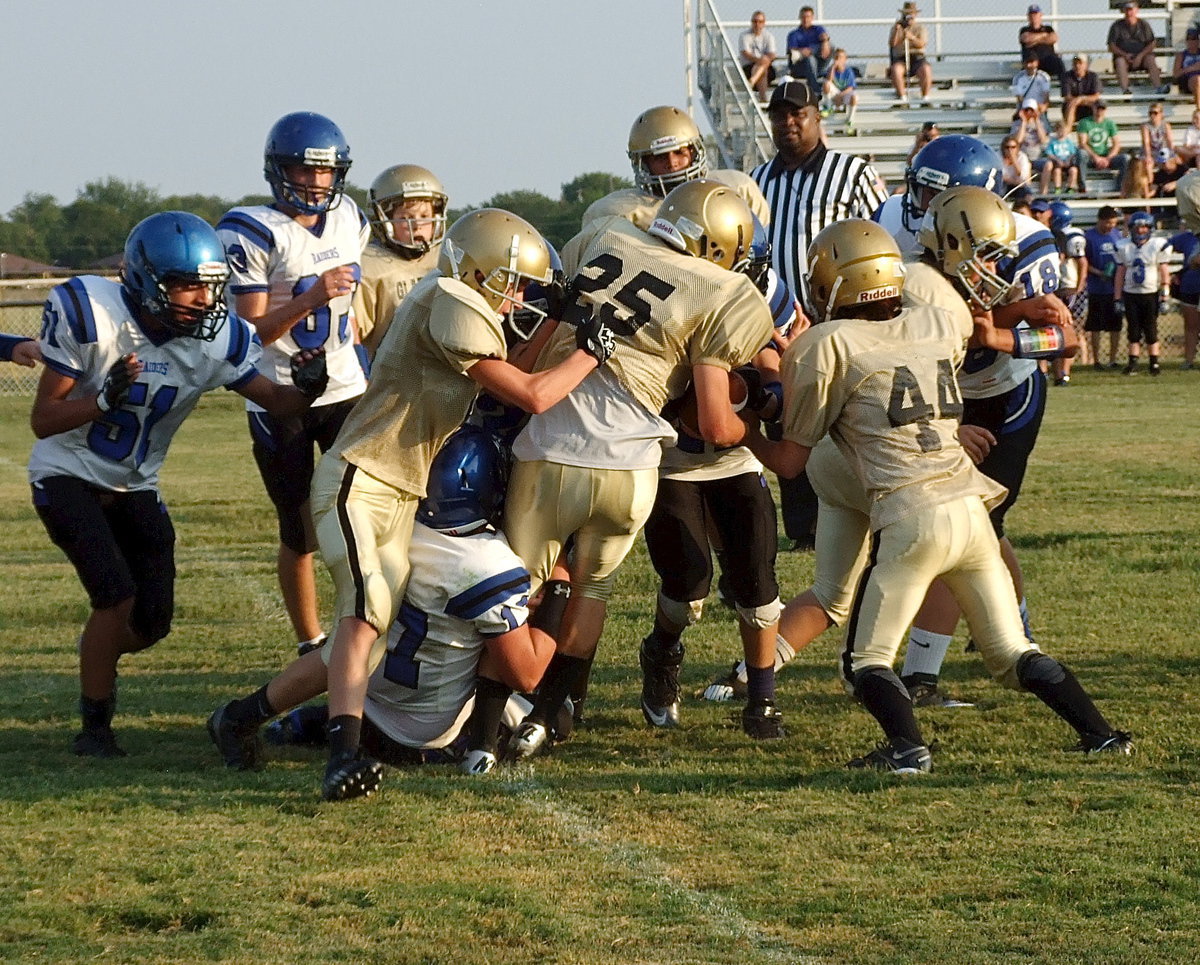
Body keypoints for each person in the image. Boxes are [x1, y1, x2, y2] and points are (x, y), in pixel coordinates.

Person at [743, 215, 1129, 772]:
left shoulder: (826, 344)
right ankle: (1102, 735)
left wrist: (745, 431)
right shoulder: (935, 321)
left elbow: (789, 460)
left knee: (865, 660)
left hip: (910, 516)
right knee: (1012, 652)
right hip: (970, 509)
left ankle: (908, 749)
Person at [311, 208, 612, 801]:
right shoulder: (449, 298)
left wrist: (555, 322)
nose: (518, 298)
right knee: (367, 611)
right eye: (512, 283)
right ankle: (342, 754)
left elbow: (506, 380)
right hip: (363, 477)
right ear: (478, 271)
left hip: (401, 486)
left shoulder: (449, 299)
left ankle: (247, 715)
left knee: (378, 620)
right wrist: (590, 353)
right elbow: (533, 394)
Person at [30, 212, 330, 757]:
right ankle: (94, 728)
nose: (203, 299)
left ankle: (97, 651)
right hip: (65, 474)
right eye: (187, 285)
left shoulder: (217, 340)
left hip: (136, 484)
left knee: (152, 624)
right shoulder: (93, 314)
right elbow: (43, 420)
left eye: (211, 286)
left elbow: (277, 402)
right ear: (146, 281)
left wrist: (308, 387)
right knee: (115, 597)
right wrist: (102, 400)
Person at [503, 180, 774, 760]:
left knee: (511, 590)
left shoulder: (606, 231)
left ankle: (491, 706)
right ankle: (550, 711)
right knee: (594, 586)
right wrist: (753, 428)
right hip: (631, 462)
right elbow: (714, 420)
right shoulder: (728, 290)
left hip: (551, 440)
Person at [208, 425, 554, 777]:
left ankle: (250, 715)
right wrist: (561, 592)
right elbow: (525, 674)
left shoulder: (391, 530)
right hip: (424, 733)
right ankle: (479, 746)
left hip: (358, 697)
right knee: (535, 691)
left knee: (348, 639)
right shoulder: (488, 564)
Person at [216, 112, 369, 659]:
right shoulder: (251, 230)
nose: (315, 182)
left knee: (367, 513)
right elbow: (248, 334)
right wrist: (310, 298)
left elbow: (355, 313)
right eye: (303, 170)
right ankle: (311, 643)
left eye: (325, 172)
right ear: (277, 170)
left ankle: (371, 621)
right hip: (279, 393)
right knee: (299, 530)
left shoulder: (350, 217)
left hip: (345, 387)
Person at [751, 78, 887, 552]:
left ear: (817, 117)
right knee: (788, 415)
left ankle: (864, 508)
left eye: (798, 113)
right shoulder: (757, 180)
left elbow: (879, 237)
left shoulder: (851, 173)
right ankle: (804, 527)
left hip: (840, 321)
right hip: (777, 324)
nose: (788, 123)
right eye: (779, 115)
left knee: (851, 415)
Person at [579, 106, 770, 233]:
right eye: (660, 157)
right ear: (643, 163)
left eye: (679, 152)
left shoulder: (738, 188)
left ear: (695, 152)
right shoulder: (618, 211)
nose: (672, 163)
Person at [354, 164, 447, 362]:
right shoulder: (370, 266)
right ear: (384, 220)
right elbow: (354, 335)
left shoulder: (445, 258)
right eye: (406, 218)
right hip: (389, 371)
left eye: (425, 216)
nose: (417, 225)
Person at [873, 133, 1004, 252]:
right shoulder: (892, 214)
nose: (925, 204)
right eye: (921, 191)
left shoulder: (1005, 235)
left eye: (934, 195)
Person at [1115, 210, 1171, 376]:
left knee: (1151, 329)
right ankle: (1133, 362)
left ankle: (1154, 362)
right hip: (1131, 293)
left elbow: (1164, 270)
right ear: (1131, 228)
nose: (1140, 231)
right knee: (1133, 330)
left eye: (1144, 227)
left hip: (1150, 293)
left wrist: (1165, 294)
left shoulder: (1157, 245)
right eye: (1137, 227)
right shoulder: (1123, 246)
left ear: (1150, 228)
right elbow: (1120, 273)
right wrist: (1117, 298)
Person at [1049, 200, 1089, 382]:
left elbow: (1082, 263)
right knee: (1055, 332)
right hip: (1057, 290)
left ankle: (1064, 372)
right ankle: (1057, 372)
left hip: (1069, 288)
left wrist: (1079, 288)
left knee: (1068, 331)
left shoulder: (1072, 236)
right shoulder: (1052, 234)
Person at [1084, 205, 1125, 369]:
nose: (1111, 226)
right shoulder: (1089, 237)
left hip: (1114, 289)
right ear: (1100, 220)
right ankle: (1096, 360)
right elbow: (1083, 262)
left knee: (1115, 326)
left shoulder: (1117, 235)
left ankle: (1112, 359)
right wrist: (1098, 272)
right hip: (1096, 288)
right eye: (1108, 223)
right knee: (1096, 326)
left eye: (1113, 223)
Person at [1108, 1, 1167, 95]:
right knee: (1119, 61)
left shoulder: (1144, 24)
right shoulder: (1116, 26)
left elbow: (1152, 43)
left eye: (1131, 10)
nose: (1129, 13)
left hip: (1142, 58)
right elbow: (1111, 46)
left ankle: (1158, 88)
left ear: (1136, 10)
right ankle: (1125, 90)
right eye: (1127, 10)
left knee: (1150, 59)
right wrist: (1125, 55)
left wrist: (1140, 56)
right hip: (1124, 58)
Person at [888, 2, 933, 106]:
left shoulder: (920, 28)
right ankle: (902, 97)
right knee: (896, 70)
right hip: (901, 57)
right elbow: (892, 44)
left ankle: (925, 97)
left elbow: (921, 44)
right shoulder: (896, 28)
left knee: (926, 69)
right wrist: (898, 31)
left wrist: (911, 37)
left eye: (911, 13)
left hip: (917, 58)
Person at [1077, 100, 1129, 190]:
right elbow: (1083, 143)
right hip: (1090, 157)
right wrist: (1095, 157)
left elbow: (1116, 144)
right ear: (1093, 108)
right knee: (1081, 154)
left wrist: (1108, 158)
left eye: (1102, 109)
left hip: (1105, 156)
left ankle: (1120, 188)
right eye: (1098, 108)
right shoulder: (1084, 122)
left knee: (1125, 158)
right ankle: (1082, 187)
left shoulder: (1109, 123)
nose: (1099, 111)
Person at [787, 5, 831, 93]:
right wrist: (802, 52)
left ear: (812, 17)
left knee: (831, 46)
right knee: (810, 59)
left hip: (819, 63)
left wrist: (825, 41)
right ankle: (816, 91)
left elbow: (825, 38)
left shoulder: (818, 29)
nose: (806, 19)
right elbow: (792, 52)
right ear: (800, 17)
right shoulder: (793, 34)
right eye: (803, 17)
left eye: (808, 17)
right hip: (800, 66)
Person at [740, 11, 777, 103]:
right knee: (763, 70)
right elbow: (745, 53)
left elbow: (772, 54)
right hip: (749, 67)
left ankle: (752, 81)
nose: (757, 24)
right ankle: (763, 99)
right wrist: (760, 60)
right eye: (755, 21)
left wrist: (763, 61)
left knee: (763, 67)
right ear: (751, 22)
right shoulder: (744, 36)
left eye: (760, 22)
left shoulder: (769, 36)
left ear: (764, 23)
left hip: (766, 67)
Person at [1019, 5, 1064, 80]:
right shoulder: (1024, 30)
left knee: (1058, 62)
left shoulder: (1048, 28)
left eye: (1036, 14)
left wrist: (1034, 40)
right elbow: (1026, 39)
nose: (1034, 16)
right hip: (1032, 62)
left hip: (1048, 60)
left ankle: (1064, 86)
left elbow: (1054, 38)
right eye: (1031, 14)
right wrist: (1044, 36)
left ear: (1040, 15)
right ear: (1028, 16)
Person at [1061, 53, 1102, 133]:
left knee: (1097, 105)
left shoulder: (1093, 76)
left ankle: (1097, 130)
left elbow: (1096, 96)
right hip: (1074, 104)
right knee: (1071, 104)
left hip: (1088, 105)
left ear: (1086, 65)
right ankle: (1068, 130)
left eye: (1080, 63)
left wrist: (1081, 99)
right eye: (1075, 63)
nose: (1077, 66)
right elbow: (1067, 96)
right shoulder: (1067, 76)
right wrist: (1077, 101)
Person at [823, 47, 858, 132]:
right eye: (836, 57)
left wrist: (840, 95)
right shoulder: (831, 69)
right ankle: (828, 107)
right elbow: (829, 81)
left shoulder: (848, 71)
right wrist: (833, 67)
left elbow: (850, 87)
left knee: (854, 97)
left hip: (844, 93)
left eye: (840, 57)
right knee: (826, 84)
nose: (838, 59)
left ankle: (850, 119)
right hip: (835, 93)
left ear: (845, 59)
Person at [1041, 121, 1081, 194]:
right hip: (1057, 162)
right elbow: (1049, 153)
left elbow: (1072, 153)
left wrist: (1068, 160)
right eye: (1061, 131)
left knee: (1074, 170)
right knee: (1057, 171)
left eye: (1064, 131)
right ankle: (1058, 188)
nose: (1062, 133)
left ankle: (1070, 188)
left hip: (1067, 162)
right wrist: (1057, 160)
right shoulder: (1053, 142)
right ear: (1057, 131)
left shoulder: (1068, 142)